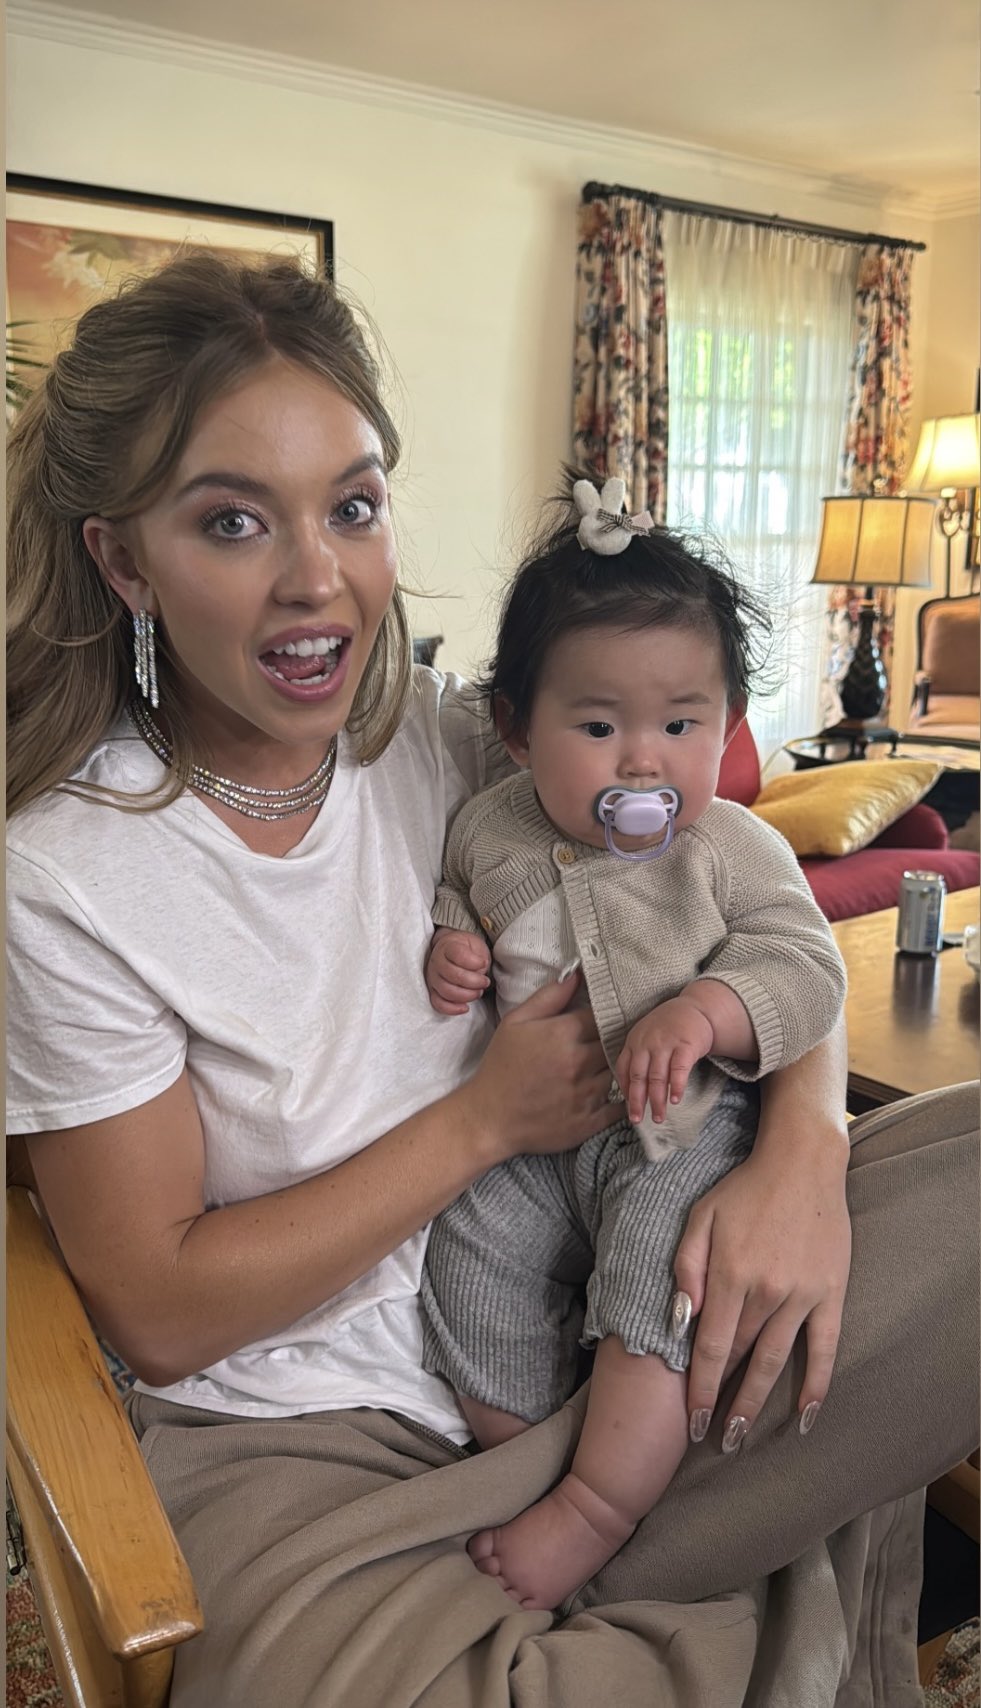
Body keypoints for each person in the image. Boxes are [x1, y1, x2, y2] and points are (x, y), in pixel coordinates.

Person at [5, 251, 977, 1708]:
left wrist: (799, 1148)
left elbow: (743, 888)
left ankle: (626, 1535)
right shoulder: (68, 872)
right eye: (231, 520)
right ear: (125, 561)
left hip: (621, 1316)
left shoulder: (458, 740)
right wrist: (483, 1121)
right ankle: (673, 1558)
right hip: (309, 1434)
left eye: (352, 505)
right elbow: (161, 1311)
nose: (318, 579)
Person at [420, 478, 847, 1610]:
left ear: (729, 724)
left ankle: (597, 1506)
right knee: (464, 1244)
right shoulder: (489, 825)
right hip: (530, 1143)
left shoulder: (732, 847)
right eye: (599, 727)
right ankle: (520, 1440)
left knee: (671, 1273)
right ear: (516, 730)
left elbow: (807, 969)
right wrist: (455, 945)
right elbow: (462, 892)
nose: (643, 762)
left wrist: (707, 1010)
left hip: (680, 1134)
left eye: (681, 725)